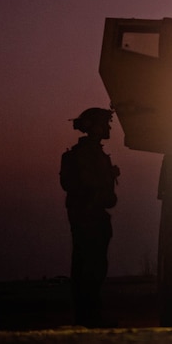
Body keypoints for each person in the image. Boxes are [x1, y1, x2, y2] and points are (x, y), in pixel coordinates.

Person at [59, 107, 120, 327]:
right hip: (88, 216)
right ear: (94, 127)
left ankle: (90, 315)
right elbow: (85, 186)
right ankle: (87, 317)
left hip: (94, 216)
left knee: (95, 266)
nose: (109, 127)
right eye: (105, 123)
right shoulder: (84, 155)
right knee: (88, 267)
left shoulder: (95, 155)